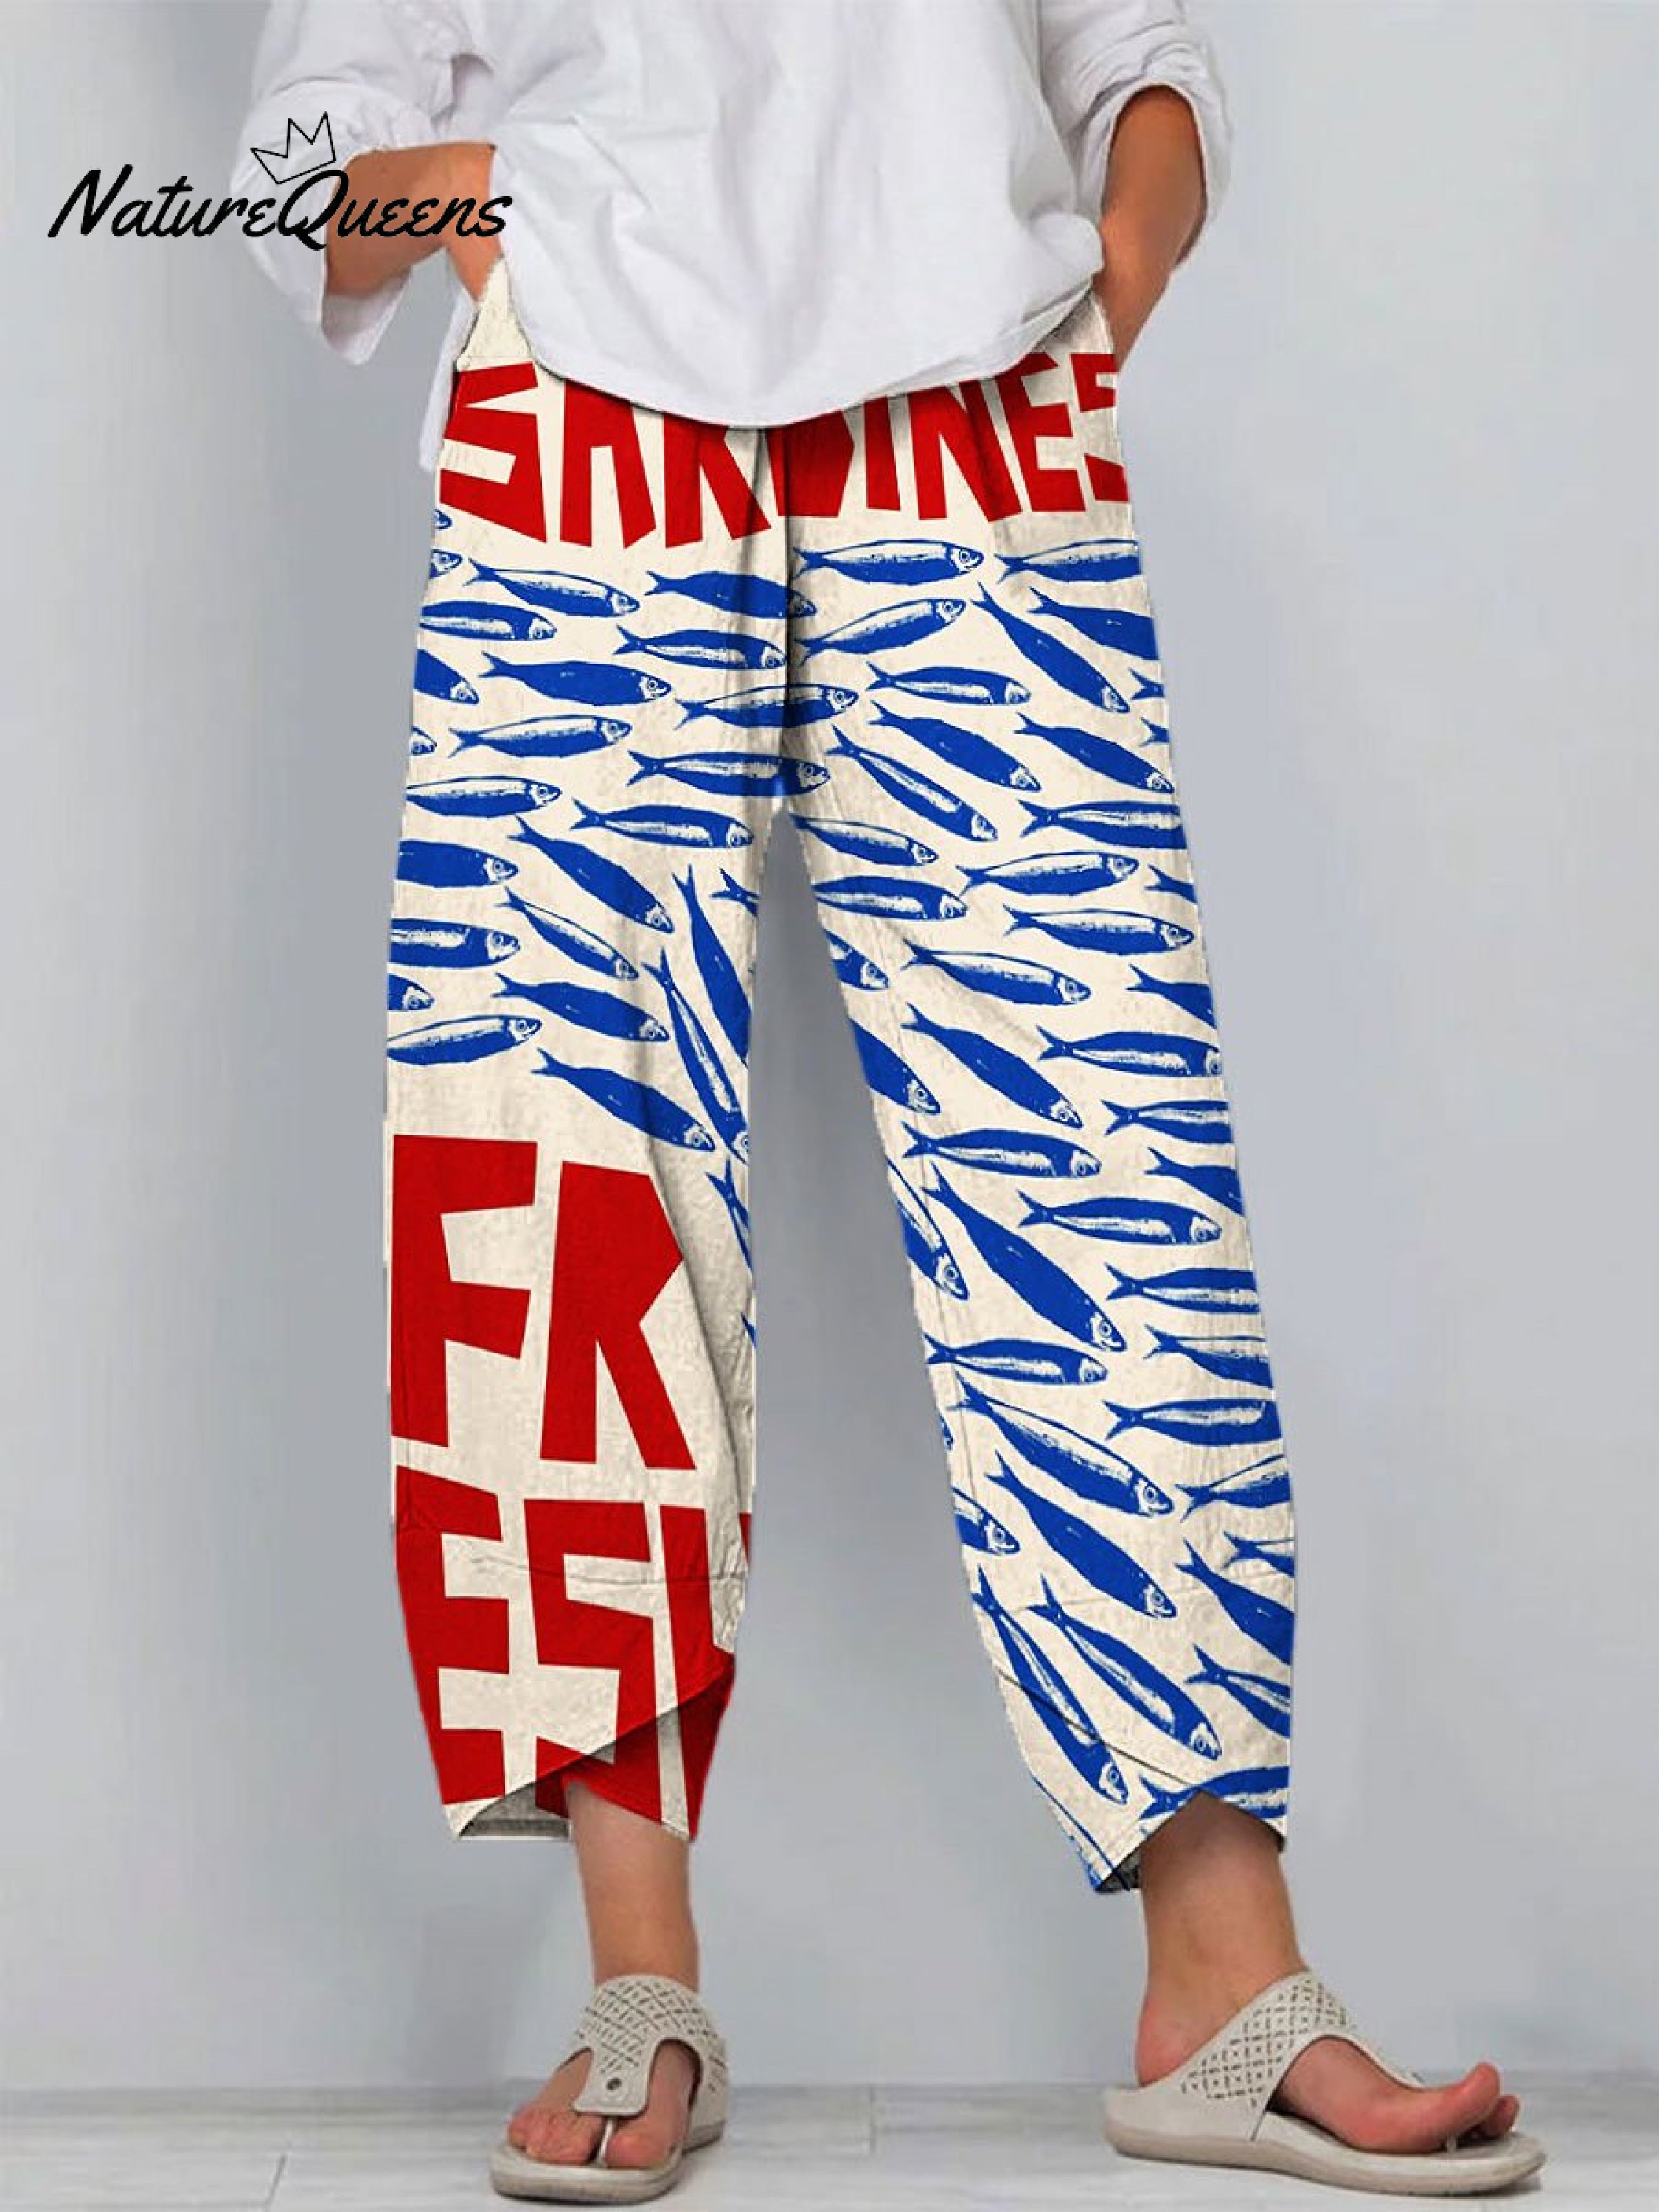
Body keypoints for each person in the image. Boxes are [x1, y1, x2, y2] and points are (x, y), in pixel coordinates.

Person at [232, 4, 1545, 2200]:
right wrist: (492, 199)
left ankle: (1222, 1980)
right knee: (566, 1172)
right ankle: (639, 1982)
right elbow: (296, 171)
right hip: (588, 415)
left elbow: (1134, 47)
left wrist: (1110, 269)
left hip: (978, 408)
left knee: (1105, 1158)